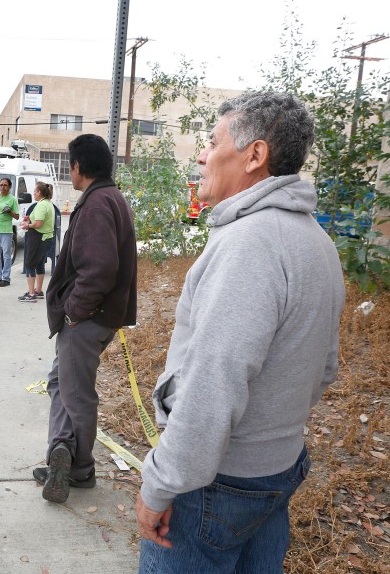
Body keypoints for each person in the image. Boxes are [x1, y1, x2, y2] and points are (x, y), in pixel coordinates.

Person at [135, 92, 344, 573]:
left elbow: (213, 383)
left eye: (212, 143)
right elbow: (325, 368)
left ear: (255, 155)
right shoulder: (316, 240)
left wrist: (160, 485)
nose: (203, 155)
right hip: (279, 469)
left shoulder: (249, 245)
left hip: (216, 486)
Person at [34, 134, 137, 504]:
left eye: (70, 165)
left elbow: (99, 270)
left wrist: (76, 312)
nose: (70, 170)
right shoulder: (109, 197)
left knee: (76, 395)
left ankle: (80, 470)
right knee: (61, 383)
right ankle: (61, 450)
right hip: (94, 317)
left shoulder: (95, 205)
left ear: (78, 167)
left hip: (87, 319)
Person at [18, 181, 55, 303]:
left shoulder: (41, 205)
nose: (33, 194)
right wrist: (30, 218)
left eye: (34, 191)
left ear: (39, 192)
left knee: (29, 265)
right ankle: (38, 290)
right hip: (46, 238)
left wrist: (27, 226)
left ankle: (31, 294)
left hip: (39, 238)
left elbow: (39, 224)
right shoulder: (47, 203)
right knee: (39, 264)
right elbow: (40, 219)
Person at [0, 177, 20, 287]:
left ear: (9, 187)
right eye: (1, 185)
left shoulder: (12, 199)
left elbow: (17, 216)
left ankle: (6, 278)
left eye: (5, 185)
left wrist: (9, 211)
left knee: (6, 254)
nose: (2, 187)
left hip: (6, 229)